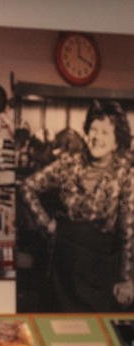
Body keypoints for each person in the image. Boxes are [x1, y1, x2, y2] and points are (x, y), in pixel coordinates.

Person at [21, 99, 134, 312]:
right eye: (94, 129)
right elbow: (27, 187)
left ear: (117, 140)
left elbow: (129, 229)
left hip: (101, 269)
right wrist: (47, 225)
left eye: (105, 132)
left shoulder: (126, 173)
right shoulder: (69, 163)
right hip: (62, 264)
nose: (97, 137)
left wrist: (128, 279)